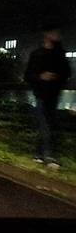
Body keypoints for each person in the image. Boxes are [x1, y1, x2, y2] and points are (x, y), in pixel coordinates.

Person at [24, 29, 72, 168]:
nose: (56, 36)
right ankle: (48, 155)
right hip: (40, 95)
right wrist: (41, 77)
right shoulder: (37, 54)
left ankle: (39, 154)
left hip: (54, 95)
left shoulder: (59, 54)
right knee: (45, 124)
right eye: (53, 33)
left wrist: (56, 77)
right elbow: (28, 75)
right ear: (46, 35)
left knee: (50, 124)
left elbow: (67, 73)